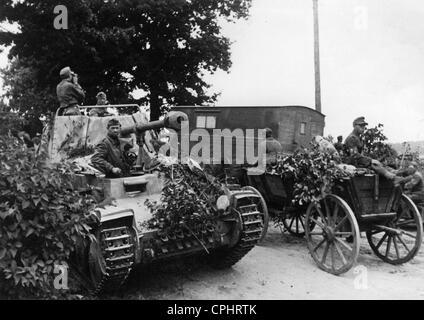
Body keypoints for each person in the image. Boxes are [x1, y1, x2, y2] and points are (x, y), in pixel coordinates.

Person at [344, 116, 402, 185]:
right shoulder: (351, 138)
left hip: (359, 162)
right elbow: (354, 155)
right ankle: (393, 177)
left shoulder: (358, 138)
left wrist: (371, 160)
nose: (363, 128)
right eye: (360, 126)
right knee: (374, 164)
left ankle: (395, 174)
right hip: (352, 164)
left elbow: (361, 155)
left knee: (380, 164)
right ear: (354, 126)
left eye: (364, 126)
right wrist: (370, 160)